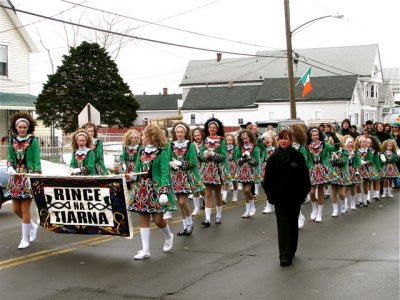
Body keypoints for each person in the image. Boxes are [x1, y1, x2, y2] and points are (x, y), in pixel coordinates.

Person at [262, 130, 311, 267]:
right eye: (281, 139)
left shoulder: (297, 156)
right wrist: (270, 195)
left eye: (286, 138)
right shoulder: (273, 157)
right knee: (282, 225)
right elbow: (268, 179)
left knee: (292, 223)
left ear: (291, 140)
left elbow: (304, 176)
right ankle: (284, 254)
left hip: (294, 196)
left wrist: (303, 193)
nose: (283, 141)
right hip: (279, 197)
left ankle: (291, 249)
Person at [127, 124, 176, 260]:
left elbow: (165, 173)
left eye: (143, 135)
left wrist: (164, 191)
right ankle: (145, 250)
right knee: (143, 217)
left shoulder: (162, 152)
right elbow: (137, 170)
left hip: (156, 189)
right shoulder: (141, 151)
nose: (141, 137)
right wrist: (132, 176)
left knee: (158, 220)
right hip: (142, 188)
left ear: (151, 137)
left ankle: (168, 235)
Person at [5, 113, 42, 249]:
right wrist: (9, 166)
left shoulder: (33, 141)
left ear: (28, 127)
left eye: (24, 127)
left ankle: (24, 239)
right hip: (15, 177)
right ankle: (32, 225)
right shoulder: (12, 140)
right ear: (16, 127)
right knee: (15, 209)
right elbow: (10, 155)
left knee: (25, 209)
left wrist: (36, 175)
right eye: (20, 127)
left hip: (28, 177)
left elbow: (37, 160)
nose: (22, 129)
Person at [167, 121, 204, 236]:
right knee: (179, 203)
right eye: (177, 132)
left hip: (185, 177)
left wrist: (181, 163)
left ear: (185, 132)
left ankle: (190, 224)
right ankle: (185, 226)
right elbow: (168, 159)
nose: (179, 134)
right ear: (175, 133)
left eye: (181, 132)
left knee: (183, 202)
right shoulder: (171, 145)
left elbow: (193, 162)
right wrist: (171, 164)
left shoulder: (190, 145)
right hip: (175, 177)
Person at [199, 118, 230, 226]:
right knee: (207, 194)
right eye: (210, 127)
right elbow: (201, 154)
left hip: (217, 170)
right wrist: (205, 155)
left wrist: (214, 155)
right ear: (208, 129)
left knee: (217, 194)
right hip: (207, 170)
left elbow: (223, 155)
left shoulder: (222, 141)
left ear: (217, 129)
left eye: (214, 128)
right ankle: (207, 218)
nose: (212, 129)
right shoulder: (205, 140)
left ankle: (218, 216)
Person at [304, 127, 339, 223]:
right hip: (312, 170)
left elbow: (335, 148)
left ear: (319, 135)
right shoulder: (306, 146)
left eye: (317, 135)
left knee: (320, 191)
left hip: (323, 170)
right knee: (311, 192)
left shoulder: (324, 145)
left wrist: (334, 137)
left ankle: (319, 213)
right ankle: (314, 209)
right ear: (310, 136)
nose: (315, 136)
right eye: (313, 135)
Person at [234, 129, 261, 218]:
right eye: (243, 139)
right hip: (242, 172)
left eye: (246, 138)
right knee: (245, 192)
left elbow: (256, 162)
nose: (245, 140)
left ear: (250, 137)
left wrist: (249, 157)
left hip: (251, 172)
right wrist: (242, 158)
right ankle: (247, 210)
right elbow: (236, 160)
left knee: (247, 190)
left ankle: (253, 205)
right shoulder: (239, 148)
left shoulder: (255, 147)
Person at [259, 131, 277, 214]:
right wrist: (263, 137)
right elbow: (257, 141)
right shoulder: (263, 148)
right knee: (266, 187)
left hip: (274, 169)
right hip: (264, 169)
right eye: (265, 139)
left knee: (274, 187)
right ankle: (269, 204)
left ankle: (272, 204)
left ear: (273, 139)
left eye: (269, 138)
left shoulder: (277, 149)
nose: (267, 140)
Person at [190, 127, 206, 215]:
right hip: (194, 168)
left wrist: (198, 151)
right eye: (195, 135)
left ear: (202, 135)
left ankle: (205, 200)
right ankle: (196, 208)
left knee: (202, 187)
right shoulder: (191, 144)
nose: (197, 137)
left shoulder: (205, 144)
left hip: (204, 168)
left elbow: (204, 158)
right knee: (194, 188)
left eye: (198, 135)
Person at [223, 133, 238, 203]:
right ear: (225, 141)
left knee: (234, 181)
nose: (230, 141)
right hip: (226, 165)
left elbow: (236, 157)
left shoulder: (235, 147)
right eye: (228, 140)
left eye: (231, 140)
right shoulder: (223, 148)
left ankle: (235, 196)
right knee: (226, 182)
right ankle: (224, 197)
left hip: (233, 165)